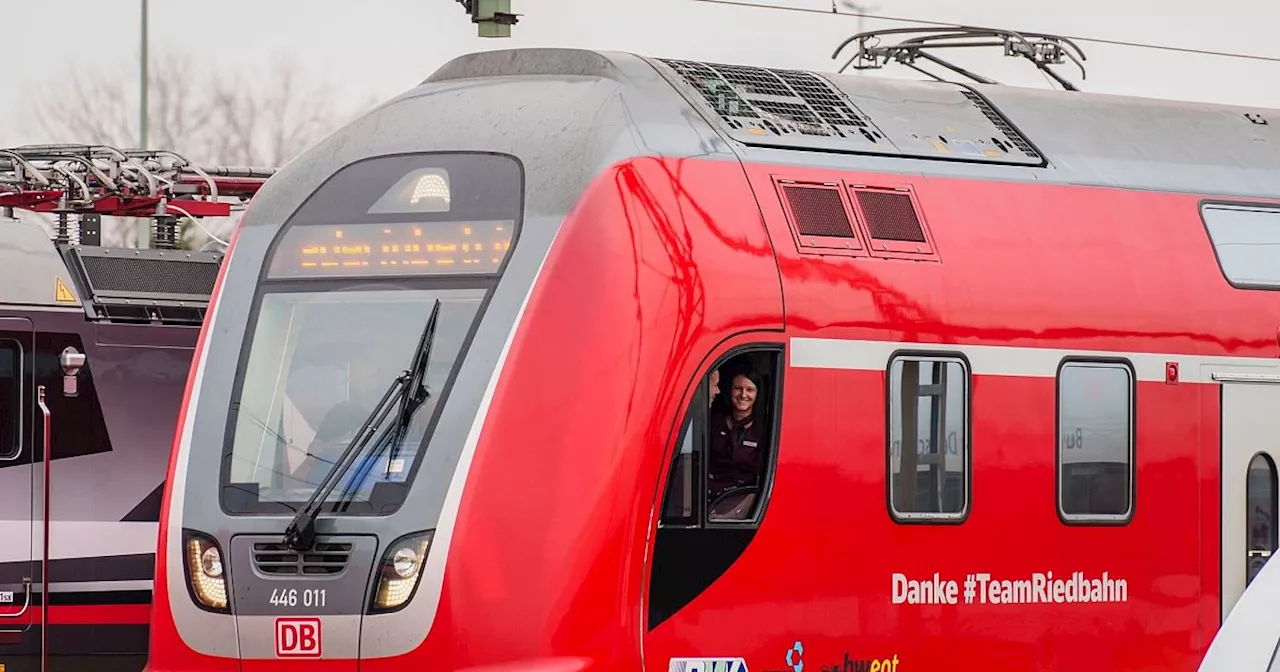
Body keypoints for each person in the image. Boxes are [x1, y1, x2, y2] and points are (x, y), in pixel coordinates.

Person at [706, 367, 767, 503]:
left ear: (758, 394)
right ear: (730, 390)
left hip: (745, 499)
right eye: (738, 388)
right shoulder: (714, 421)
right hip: (710, 494)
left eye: (750, 390)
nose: (743, 394)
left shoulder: (763, 429)